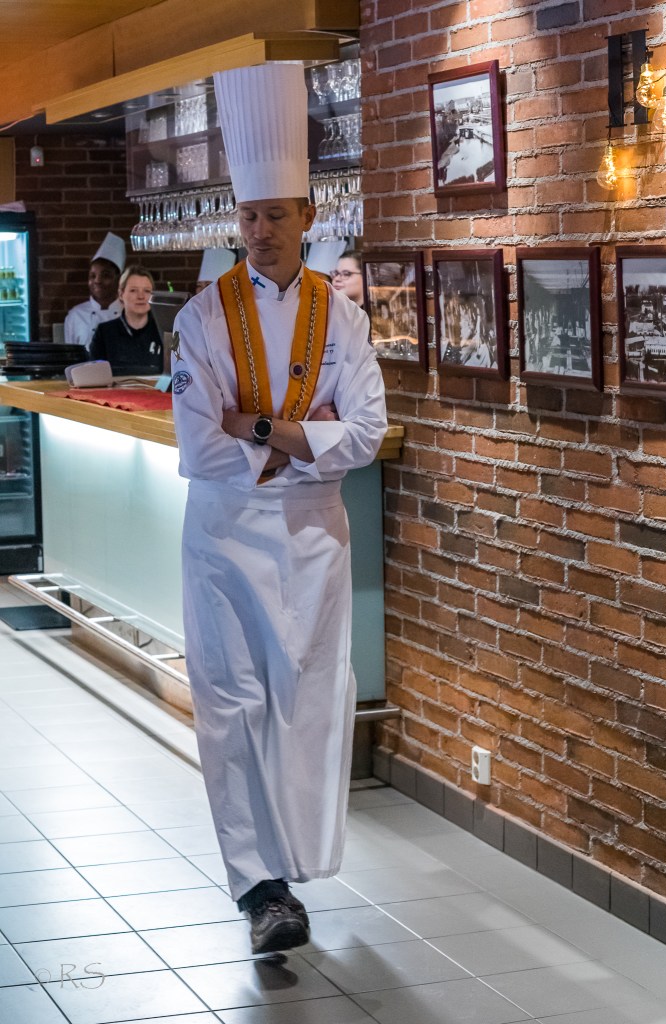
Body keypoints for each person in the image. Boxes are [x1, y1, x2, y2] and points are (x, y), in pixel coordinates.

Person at [171, 62, 387, 956]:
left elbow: (366, 432)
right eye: (248, 216)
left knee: (308, 695)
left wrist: (257, 424)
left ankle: (295, 864)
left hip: (313, 541)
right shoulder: (200, 318)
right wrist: (306, 436)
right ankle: (260, 889)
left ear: (308, 214)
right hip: (224, 539)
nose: (259, 232)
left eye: (274, 215)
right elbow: (200, 448)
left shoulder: (344, 320)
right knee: (232, 703)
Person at [90, 265, 162, 375]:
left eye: (147, 291)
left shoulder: (164, 333)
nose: (141, 296)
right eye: (133, 290)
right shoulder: (104, 333)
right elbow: (94, 375)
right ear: (121, 294)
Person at [64, 232, 126, 347]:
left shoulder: (129, 313)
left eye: (106, 275)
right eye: (92, 276)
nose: (97, 281)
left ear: (119, 279)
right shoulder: (75, 315)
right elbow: (70, 355)